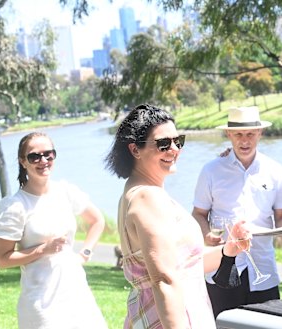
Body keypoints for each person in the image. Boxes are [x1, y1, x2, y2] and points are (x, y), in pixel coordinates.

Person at [105, 104, 248, 329]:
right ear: (135, 150)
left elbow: (183, 266)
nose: (174, 149)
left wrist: (228, 249)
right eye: (163, 143)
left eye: (178, 141)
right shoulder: (147, 198)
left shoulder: (136, 192)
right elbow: (164, 279)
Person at [0, 132, 107, 329]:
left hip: (77, 292)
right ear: (23, 162)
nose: (43, 160)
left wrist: (85, 253)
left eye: (48, 154)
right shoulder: (15, 206)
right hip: (41, 303)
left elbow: (97, 221)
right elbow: (3, 259)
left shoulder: (65, 191)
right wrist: (42, 250)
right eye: (34, 156)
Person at [192, 106, 282, 318]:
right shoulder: (211, 170)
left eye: (250, 134)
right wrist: (206, 235)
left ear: (260, 133)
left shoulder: (275, 171)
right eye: (238, 134)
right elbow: (198, 214)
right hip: (222, 269)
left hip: (263, 268)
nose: (244, 140)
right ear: (228, 134)